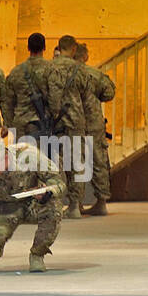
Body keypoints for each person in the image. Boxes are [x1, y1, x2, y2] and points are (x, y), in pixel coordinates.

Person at [0, 126, 67, 272]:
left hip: (33, 203)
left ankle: (37, 254)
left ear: (5, 155)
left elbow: (58, 183)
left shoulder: (28, 154)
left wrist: (46, 192)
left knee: (53, 208)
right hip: (4, 209)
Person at [47, 35, 88, 219]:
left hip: (56, 121)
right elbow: (87, 93)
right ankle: (75, 206)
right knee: (77, 163)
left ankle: (56, 204)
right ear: (73, 49)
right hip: (76, 119)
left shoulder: (50, 66)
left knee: (56, 163)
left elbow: (47, 92)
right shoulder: (79, 69)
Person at [74, 44, 115, 216]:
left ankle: (76, 203)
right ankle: (102, 201)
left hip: (75, 121)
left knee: (77, 161)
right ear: (85, 57)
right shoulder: (95, 74)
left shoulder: (68, 74)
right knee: (98, 161)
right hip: (94, 122)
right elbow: (109, 93)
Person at [1, 33, 52, 135]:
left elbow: (8, 102)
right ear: (44, 47)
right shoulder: (51, 69)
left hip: (21, 126)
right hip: (43, 124)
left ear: (28, 48)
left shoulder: (16, 71)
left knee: (21, 151)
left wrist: (8, 124)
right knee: (41, 151)